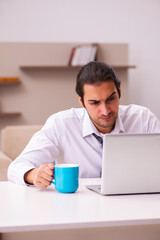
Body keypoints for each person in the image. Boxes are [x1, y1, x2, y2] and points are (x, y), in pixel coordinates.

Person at [8, 61, 160, 188]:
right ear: (81, 101)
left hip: (136, 203)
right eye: (94, 103)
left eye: (111, 99)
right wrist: (32, 174)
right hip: (77, 208)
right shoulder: (61, 124)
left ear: (119, 92)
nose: (105, 110)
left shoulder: (143, 118)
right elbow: (16, 167)